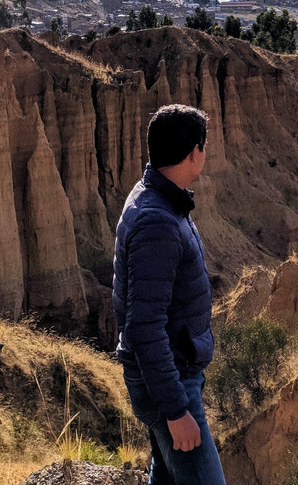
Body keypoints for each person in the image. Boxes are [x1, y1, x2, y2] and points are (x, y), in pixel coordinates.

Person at [112, 104, 226, 485]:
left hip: (169, 377)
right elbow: (144, 327)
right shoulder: (157, 220)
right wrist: (177, 411)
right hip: (170, 383)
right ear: (194, 152)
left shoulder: (160, 199)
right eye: (203, 147)